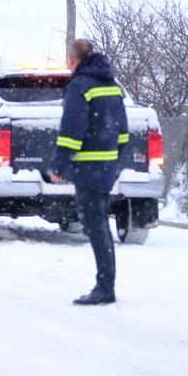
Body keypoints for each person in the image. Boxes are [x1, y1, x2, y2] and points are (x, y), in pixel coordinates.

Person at [49, 39, 129, 306]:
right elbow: (123, 131)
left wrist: (59, 165)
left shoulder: (79, 87)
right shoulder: (111, 86)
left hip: (87, 168)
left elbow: (72, 131)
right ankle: (106, 283)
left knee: (95, 227)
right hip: (106, 168)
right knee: (100, 225)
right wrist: (114, 159)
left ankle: (105, 287)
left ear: (73, 59)